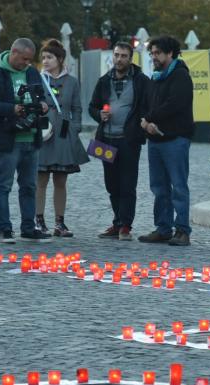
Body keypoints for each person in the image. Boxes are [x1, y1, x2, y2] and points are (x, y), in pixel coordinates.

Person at [0, 38, 51, 243]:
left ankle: (28, 227)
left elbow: (42, 94)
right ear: (14, 52)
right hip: (7, 139)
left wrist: (43, 104)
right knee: (4, 185)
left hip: (31, 137)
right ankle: (5, 229)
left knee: (29, 186)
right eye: (25, 59)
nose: (27, 63)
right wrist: (11, 108)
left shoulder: (31, 72)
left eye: (30, 60)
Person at [88, 42, 150, 241]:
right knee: (111, 184)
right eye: (117, 55)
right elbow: (92, 107)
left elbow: (148, 106)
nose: (120, 59)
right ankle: (117, 221)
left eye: (124, 56)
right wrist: (99, 114)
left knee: (128, 184)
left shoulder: (141, 81)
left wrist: (141, 125)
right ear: (112, 57)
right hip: (106, 139)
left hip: (129, 140)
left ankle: (125, 225)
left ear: (131, 58)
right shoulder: (104, 81)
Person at [138, 35, 194, 246]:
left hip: (175, 138)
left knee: (178, 186)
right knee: (159, 187)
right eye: (152, 53)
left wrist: (151, 118)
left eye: (158, 53)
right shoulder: (156, 77)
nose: (154, 57)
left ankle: (182, 230)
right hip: (155, 139)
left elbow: (175, 104)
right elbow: (147, 103)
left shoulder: (180, 76)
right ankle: (163, 228)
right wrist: (145, 122)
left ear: (170, 53)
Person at [36, 39, 88, 238]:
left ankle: (60, 223)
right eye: (43, 58)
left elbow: (77, 108)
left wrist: (75, 129)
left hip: (64, 135)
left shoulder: (72, 82)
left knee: (60, 181)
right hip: (43, 134)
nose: (45, 61)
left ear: (59, 59)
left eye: (49, 57)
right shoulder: (38, 79)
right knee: (41, 180)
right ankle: (39, 221)